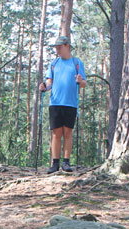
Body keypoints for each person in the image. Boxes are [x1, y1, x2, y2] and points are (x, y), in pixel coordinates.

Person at [39, 35, 87, 174]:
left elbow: (83, 84)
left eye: (60, 47)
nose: (58, 50)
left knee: (68, 132)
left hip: (71, 103)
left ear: (67, 46)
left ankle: (66, 163)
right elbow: (49, 83)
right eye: (56, 48)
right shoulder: (54, 64)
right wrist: (44, 87)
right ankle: (55, 163)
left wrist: (80, 80)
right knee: (56, 133)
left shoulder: (77, 63)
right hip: (55, 102)